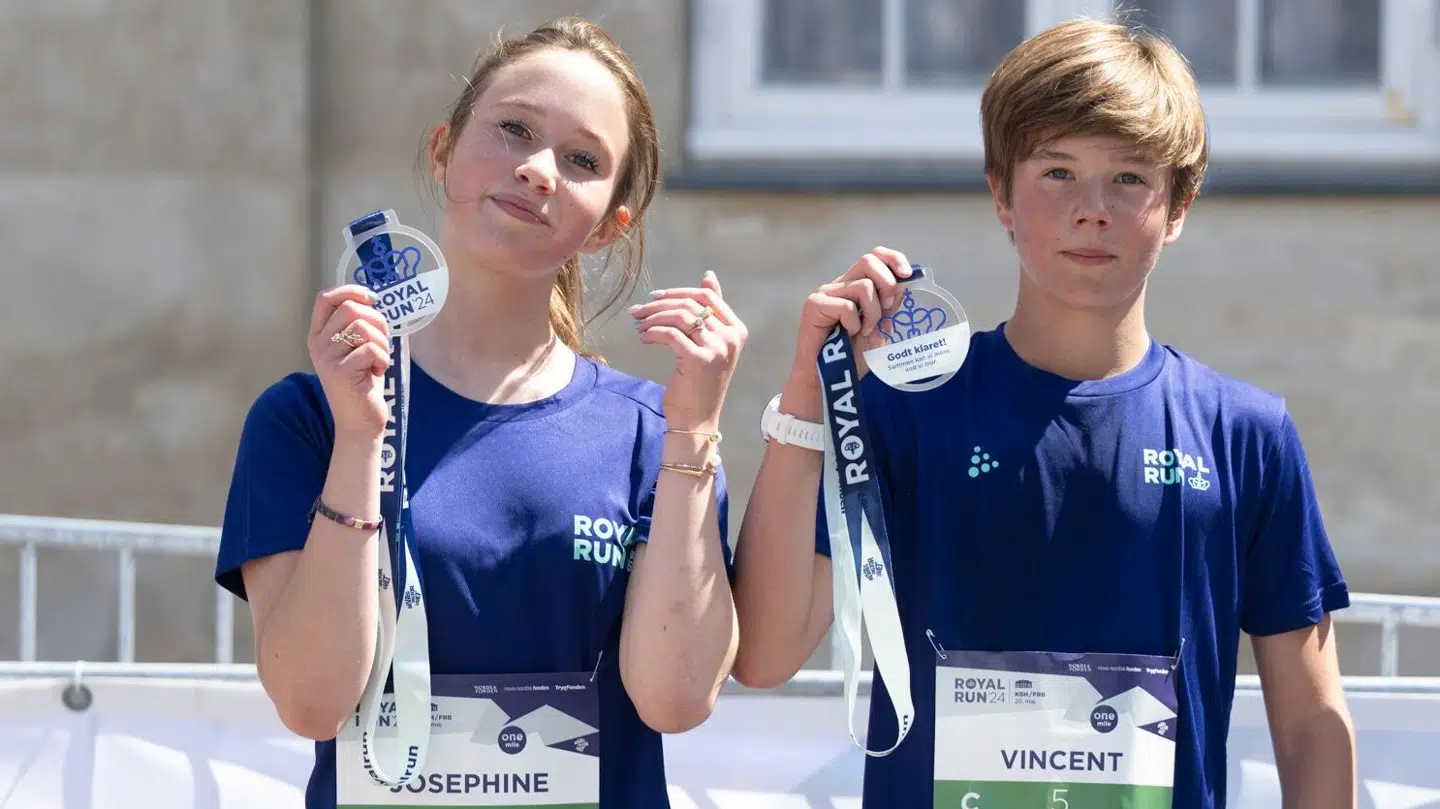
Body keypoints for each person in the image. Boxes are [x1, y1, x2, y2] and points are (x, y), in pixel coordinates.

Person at [732, 18, 1356, 809]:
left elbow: (1311, 725)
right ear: (1002, 193)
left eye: (1130, 178)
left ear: (1180, 204)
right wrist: (808, 398)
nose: (1091, 209)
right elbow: (763, 653)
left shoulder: (1246, 435)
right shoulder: (904, 411)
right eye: (1057, 172)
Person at [214, 17, 743, 809]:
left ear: (608, 225)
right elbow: (311, 699)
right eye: (514, 130)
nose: (537, 170)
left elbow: (675, 700)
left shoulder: (654, 432)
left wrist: (694, 431)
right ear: (443, 150)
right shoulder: (307, 418)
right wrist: (363, 441)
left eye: (581, 159)